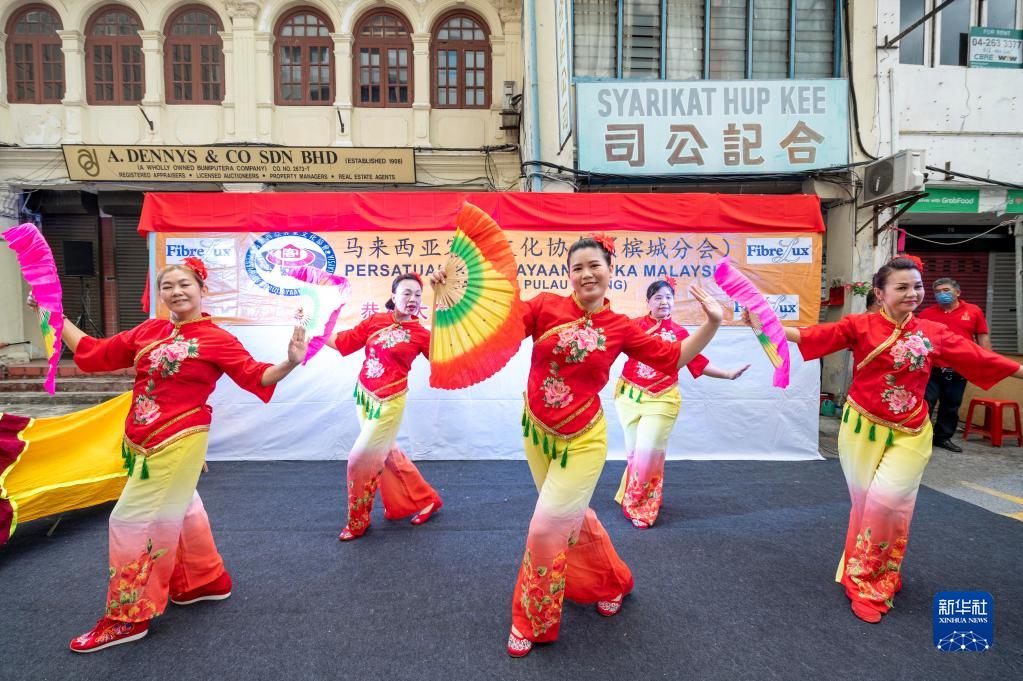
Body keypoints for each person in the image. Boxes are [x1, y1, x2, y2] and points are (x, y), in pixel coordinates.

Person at [433, 235, 724, 657]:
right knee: (574, 519)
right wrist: (453, 291)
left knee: (545, 528)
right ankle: (611, 582)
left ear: (610, 270)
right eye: (577, 268)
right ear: (568, 275)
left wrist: (712, 323)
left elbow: (672, 357)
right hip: (536, 432)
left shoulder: (621, 327)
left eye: (594, 266)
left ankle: (531, 621)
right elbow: (496, 323)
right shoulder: (545, 306)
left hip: (583, 440)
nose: (587, 274)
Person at [34, 257, 308, 653]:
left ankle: (128, 618)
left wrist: (290, 363)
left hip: (178, 438)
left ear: (202, 289)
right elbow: (95, 352)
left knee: (131, 521)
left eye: (185, 284)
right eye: (168, 286)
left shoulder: (217, 338)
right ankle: (204, 581)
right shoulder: (150, 330)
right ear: (160, 294)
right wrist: (53, 315)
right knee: (184, 508)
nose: (176, 292)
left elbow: (255, 375)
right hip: (143, 439)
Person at [748, 258, 1022, 624]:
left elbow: (979, 357)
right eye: (902, 287)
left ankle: (866, 583)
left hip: (913, 429)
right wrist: (767, 324)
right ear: (880, 293)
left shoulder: (933, 332)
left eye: (917, 286)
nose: (913, 293)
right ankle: (879, 568)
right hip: (862, 427)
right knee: (866, 506)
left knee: (887, 503)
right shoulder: (858, 325)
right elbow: (814, 335)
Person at [613, 277, 749, 529]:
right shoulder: (633, 326)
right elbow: (609, 348)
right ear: (648, 302)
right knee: (634, 453)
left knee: (648, 454)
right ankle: (630, 493)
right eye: (658, 297)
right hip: (628, 396)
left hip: (662, 398)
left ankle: (642, 508)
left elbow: (698, 362)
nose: (664, 302)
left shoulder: (679, 334)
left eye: (668, 297)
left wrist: (727, 374)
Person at [326, 273, 442, 541]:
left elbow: (442, 361)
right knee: (389, 455)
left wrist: (443, 316)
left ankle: (358, 521)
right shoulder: (376, 320)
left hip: (390, 402)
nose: (413, 299)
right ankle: (427, 499)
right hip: (364, 396)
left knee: (359, 461)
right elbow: (344, 342)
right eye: (407, 293)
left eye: (417, 295)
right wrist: (314, 333)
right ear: (393, 296)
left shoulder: (421, 334)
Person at [918, 278, 992, 452]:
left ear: (957, 292)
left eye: (946, 290)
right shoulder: (926, 313)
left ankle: (942, 438)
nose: (941, 294)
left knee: (951, 405)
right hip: (931, 368)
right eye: (937, 292)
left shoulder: (973, 311)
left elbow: (982, 336)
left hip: (959, 368)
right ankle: (920, 438)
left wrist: (988, 360)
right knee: (926, 402)